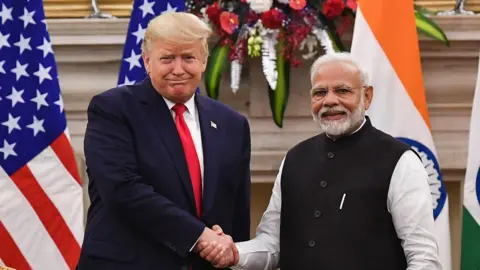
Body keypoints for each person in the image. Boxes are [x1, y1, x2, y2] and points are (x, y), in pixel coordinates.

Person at [197, 52, 442, 270]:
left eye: (343, 90)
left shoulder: (400, 161)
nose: (330, 101)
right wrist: (235, 253)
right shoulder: (294, 159)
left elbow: (424, 259)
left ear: (367, 97)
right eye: (320, 92)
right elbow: (272, 244)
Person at [76, 12, 251, 270]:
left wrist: (232, 253)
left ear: (204, 61)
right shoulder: (112, 109)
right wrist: (200, 236)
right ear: (147, 62)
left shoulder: (232, 123)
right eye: (167, 58)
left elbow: (237, 210)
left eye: (189, 58)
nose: (178, 69)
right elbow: (122, 190)